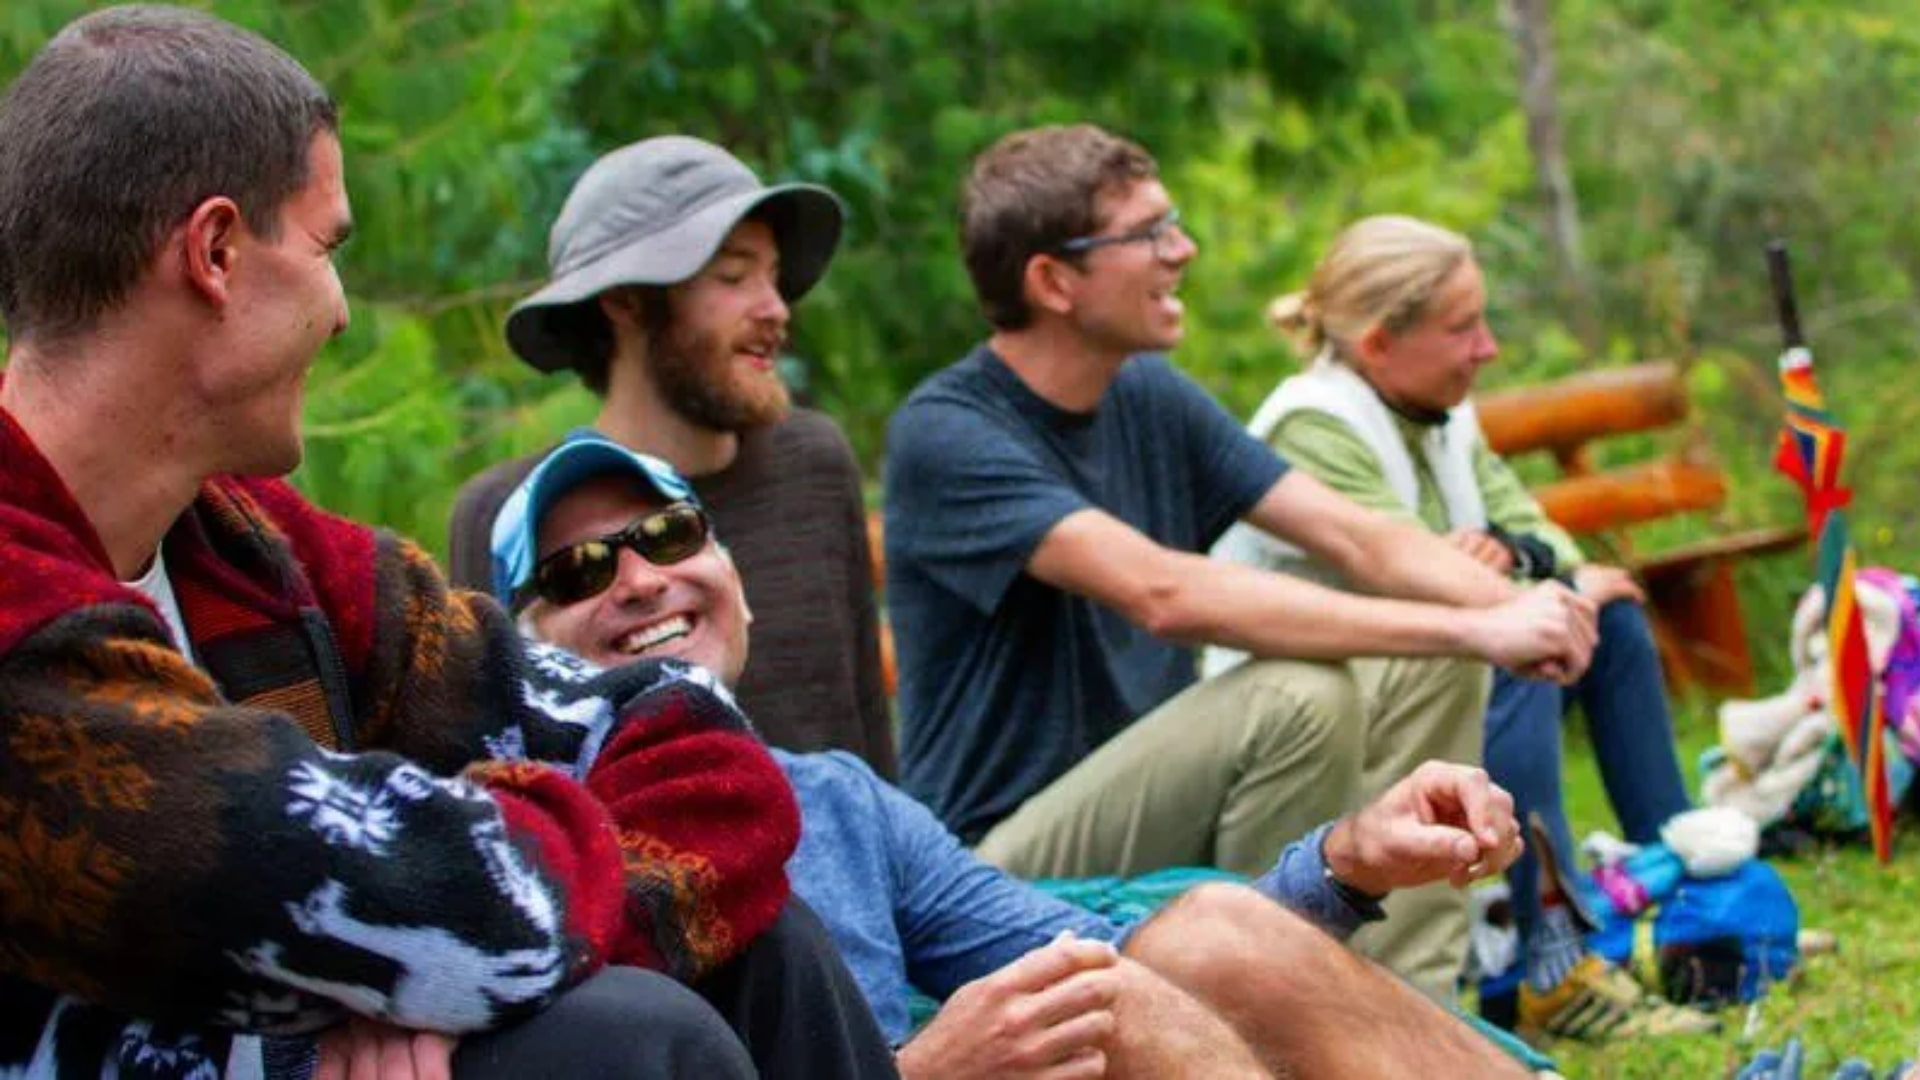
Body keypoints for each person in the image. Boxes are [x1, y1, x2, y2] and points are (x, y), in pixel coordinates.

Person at [0, 9, 894, 1078]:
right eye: (328, 246)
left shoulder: (253, 548)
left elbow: (699, 741)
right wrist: (426, 952)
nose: (339, 313)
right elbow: (335, 881)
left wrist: (424, 976)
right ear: (217, 252)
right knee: (626, 1039)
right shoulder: (21, 622)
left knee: (766, 946)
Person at [494, 434, 1540, 1079]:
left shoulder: (838, 803)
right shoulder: (524, 858)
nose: (641, 578)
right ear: (517, 654)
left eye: (672, 534)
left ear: (734, 577)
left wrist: (1349, 862)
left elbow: (1138, 954)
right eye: (579, 569)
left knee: (1190, 940)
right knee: (1112, 997)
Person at [882, 122, 1597, 1000]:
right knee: (1297, 697)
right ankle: (1278, 1016)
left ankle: (1418, 1005)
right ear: (1052, 280)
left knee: (1426, 663)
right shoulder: (948, 433)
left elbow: (1358, 536)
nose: (1181, 248)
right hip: (998, 872)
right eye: (1147, 234)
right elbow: (1164, 592)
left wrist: (1524, 607)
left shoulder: (1143, 391)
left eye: (1171, 222)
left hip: (1160, 806)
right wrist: (1482, 624)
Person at [1208, 213, 1709, 1043]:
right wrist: (1510, 583)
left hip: (1414, 671)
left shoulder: (1443, 409)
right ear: (1378, 344)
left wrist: (1514, 555)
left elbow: (1544, 544)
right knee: (1520, 648)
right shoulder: (1312, 425)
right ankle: (1554, 961)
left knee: (1607, 618)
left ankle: (1694, 903)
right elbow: (1410, 572)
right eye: (1463, 328)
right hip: (1303, 707)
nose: (1488, 349)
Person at [447, 136, 894, 777]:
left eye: (772, 277)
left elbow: (867, 728)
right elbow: (498, 769)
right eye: (735, 276)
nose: (775, 309)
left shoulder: (814, 461)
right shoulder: (508, 513)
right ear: (625, 301)